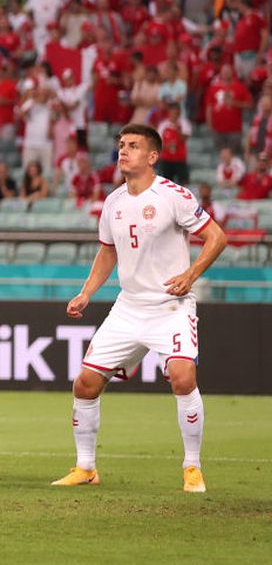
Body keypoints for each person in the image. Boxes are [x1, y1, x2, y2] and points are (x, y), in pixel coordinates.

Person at [54, 124, 227, 493]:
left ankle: (192, 468)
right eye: (120, 145)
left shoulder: (173, 195)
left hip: (171, 306)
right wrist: (86, 293)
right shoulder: (113, 202)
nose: (123, 151)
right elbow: (108, 252)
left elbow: (217, 237)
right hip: (128, 307)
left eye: (133, 146)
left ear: (152, 156)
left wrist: (191, 273)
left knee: (183, 378)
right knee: (84, 384)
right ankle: (86, 467)